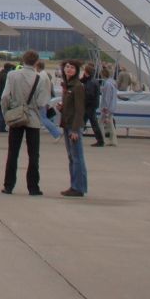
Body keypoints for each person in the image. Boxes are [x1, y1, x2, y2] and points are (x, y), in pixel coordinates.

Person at [0, 50, 51, 196]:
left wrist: (7, 112)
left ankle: (9, 185)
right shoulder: (40, 78)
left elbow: (5, 97)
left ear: (22, 60)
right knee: (34, 154)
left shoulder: (12, 75)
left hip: (16, 115)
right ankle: (33, 186)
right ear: (36, 62)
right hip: (33, 118)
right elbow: (42, 101)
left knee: (13, 153)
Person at [59, 60, 88, 197]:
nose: (69, 69)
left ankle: (78, 187)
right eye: (67, 67)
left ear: (77, 70)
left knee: (77, 157)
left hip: (73, 126)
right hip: (66, 123)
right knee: (72, 157)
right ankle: (74, 185)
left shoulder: (77, 86)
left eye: (72, 67)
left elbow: (80, 109)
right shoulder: (68, 86)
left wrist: (76, 130)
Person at [80, 63, 105, 147]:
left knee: (90, 123)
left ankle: (100, 140)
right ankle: (100, 140)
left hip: (89, 106)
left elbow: (89, 95)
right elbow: (83, 80)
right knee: (87, 122)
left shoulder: (90, 82)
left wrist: (84, 102)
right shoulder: (93, 81)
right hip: (92, 105)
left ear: (87, 72)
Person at [99, 66, 119, 146]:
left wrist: (105, 109)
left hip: (107, 108)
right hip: (112, 106)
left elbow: (107, 98)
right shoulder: (113, 83)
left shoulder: (107, 84)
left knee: (100, 123)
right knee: (110, 123)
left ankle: (102, 139)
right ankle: (113, 140)